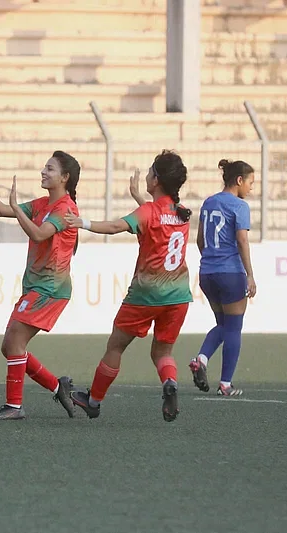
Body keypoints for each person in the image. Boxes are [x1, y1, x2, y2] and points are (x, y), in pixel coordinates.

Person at [64, 150, 193, 422]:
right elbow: (157, 220)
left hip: (146, 295)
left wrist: (82, 222)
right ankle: (169, 383)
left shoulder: (147, 211)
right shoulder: (182, 214)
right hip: (179, 295)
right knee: (162, 352)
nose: (146, 175)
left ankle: (93, 401)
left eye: (150, 172)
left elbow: (115, 226)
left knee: (116, 347)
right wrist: (139, 198)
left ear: (156, 180)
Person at [0, 153, 78, 420]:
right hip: (36, 287)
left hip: (51, 289)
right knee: (10, 347)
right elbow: (2, 210)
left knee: (14, 341)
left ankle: (14, 406)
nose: (43, 171)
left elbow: (38, 233)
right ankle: (57, 386)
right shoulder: (42, 203)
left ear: (64, 178)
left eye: (49, 169)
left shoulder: (66, 209)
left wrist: (17, 208)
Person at [189, 159, 256, 397]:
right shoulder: (239, 206)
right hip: (231, 273)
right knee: (234, 328)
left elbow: (199, 240)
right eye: (250, 182)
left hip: (207, 273)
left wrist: (211, 261)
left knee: (224, 325)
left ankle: (202, 359)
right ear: (239, 180)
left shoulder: (209, 202)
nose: (251, 188)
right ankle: (225, 384)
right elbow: (241, 240)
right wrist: (249, 275)